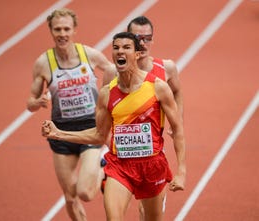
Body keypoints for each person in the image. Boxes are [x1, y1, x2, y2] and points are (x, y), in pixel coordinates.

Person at [41, 32, 186, 221]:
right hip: (120, 166)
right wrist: (59, 133)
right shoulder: (107, 94)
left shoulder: (157, 88)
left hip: (152, 165)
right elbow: (99, 135)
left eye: (126, 48)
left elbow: (178, 129)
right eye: (116, 48)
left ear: (137, 54)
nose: (120, 51)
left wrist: (181, 171)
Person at [26, 8, 116, 221]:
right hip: (60, 133)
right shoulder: (43, 63)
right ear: (51, 30)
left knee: (84, 192)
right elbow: (29, 102)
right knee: (70, 197)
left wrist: (108, 99)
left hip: (91, 129)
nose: (62, 33)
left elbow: (113, 72)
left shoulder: (89, 55)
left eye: (66, 28)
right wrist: (37, 102)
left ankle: (103, 168)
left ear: (74, 30)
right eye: (57, 29)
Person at [127, 16, 184, 220]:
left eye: (147, 38)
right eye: (137, 38)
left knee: (146, 212)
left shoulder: (166, 68)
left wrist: (177, 117)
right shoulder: (116, 72)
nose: (143, 43)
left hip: (152, 150)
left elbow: (177, 92)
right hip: (124, 155)